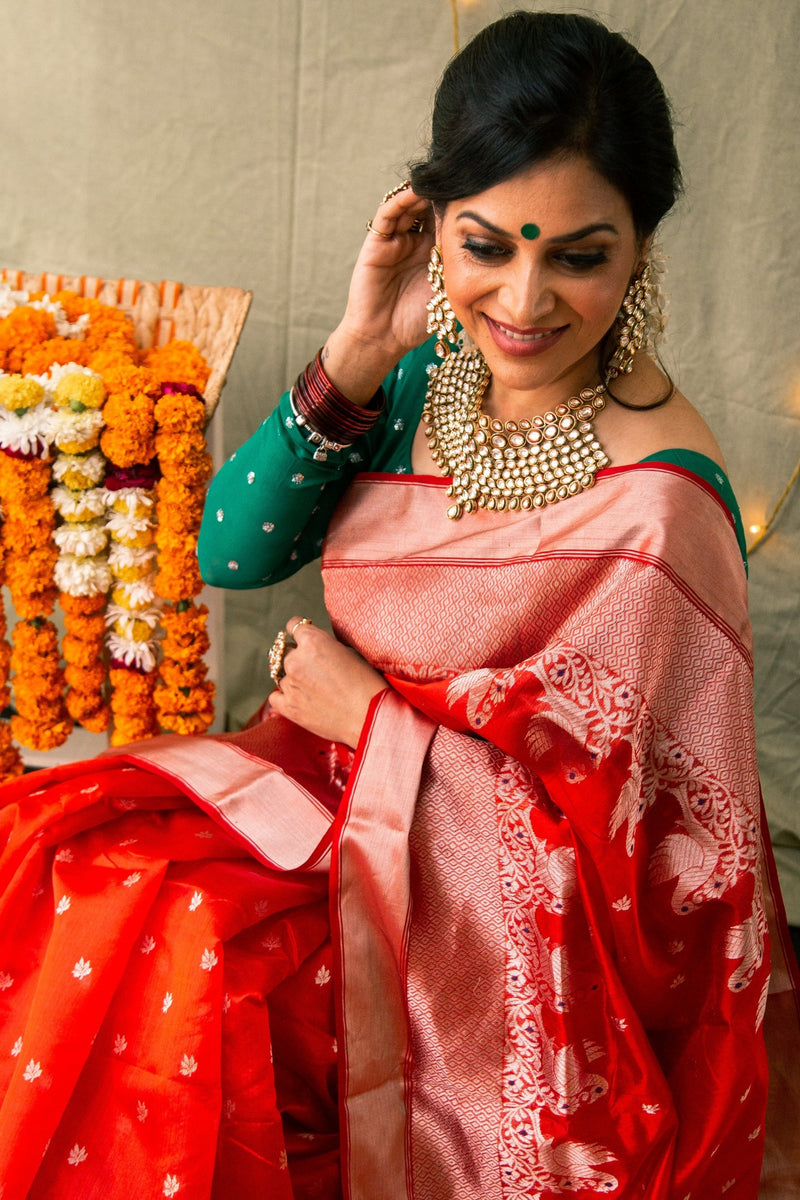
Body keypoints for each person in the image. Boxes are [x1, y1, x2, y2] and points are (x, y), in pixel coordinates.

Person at [0, 10, 798, 1199]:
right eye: (484, 246)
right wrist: (362, 341)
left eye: (577, 255)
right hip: (319, 804)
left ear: (639, 252)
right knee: (55, 856)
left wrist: (371, 722)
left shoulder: (659, 509)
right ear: (431, 227)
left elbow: (641, 878)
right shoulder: (433, 368)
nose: (521, 300)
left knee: (185, 959)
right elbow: (228, 551)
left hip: (485, 925)